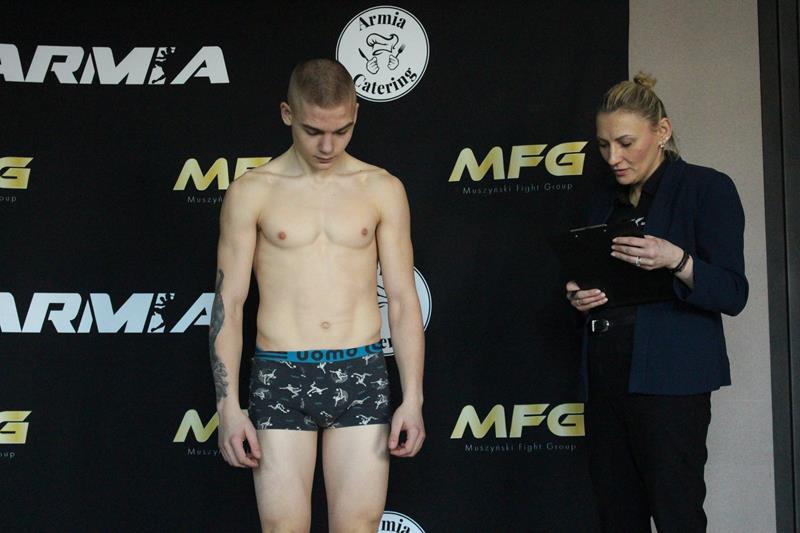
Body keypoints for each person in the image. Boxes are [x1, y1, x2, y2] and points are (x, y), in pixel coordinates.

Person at [209, 58, 425, 532]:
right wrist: (228, 408)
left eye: (341, 131)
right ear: (287, 114)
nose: (327, 146)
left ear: (356, 116)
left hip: (361, 370)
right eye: (313, 131)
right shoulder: (252, 192)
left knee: (358, 527)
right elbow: (229, 304)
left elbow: (404, 300)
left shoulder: (382, 189)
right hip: (280, 372)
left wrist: (413, 399)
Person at [565, 73, 748, 532]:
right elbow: (592, 282)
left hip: (672, 383)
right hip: (605, 381)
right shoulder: (600, 202)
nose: (613, 157)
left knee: (677, 515)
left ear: (662, 131)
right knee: (616, 517)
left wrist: (677, 259)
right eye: (604, 145)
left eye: (626, 143)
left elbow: (733, 292)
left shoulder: (707, 188)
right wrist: (578, 296)